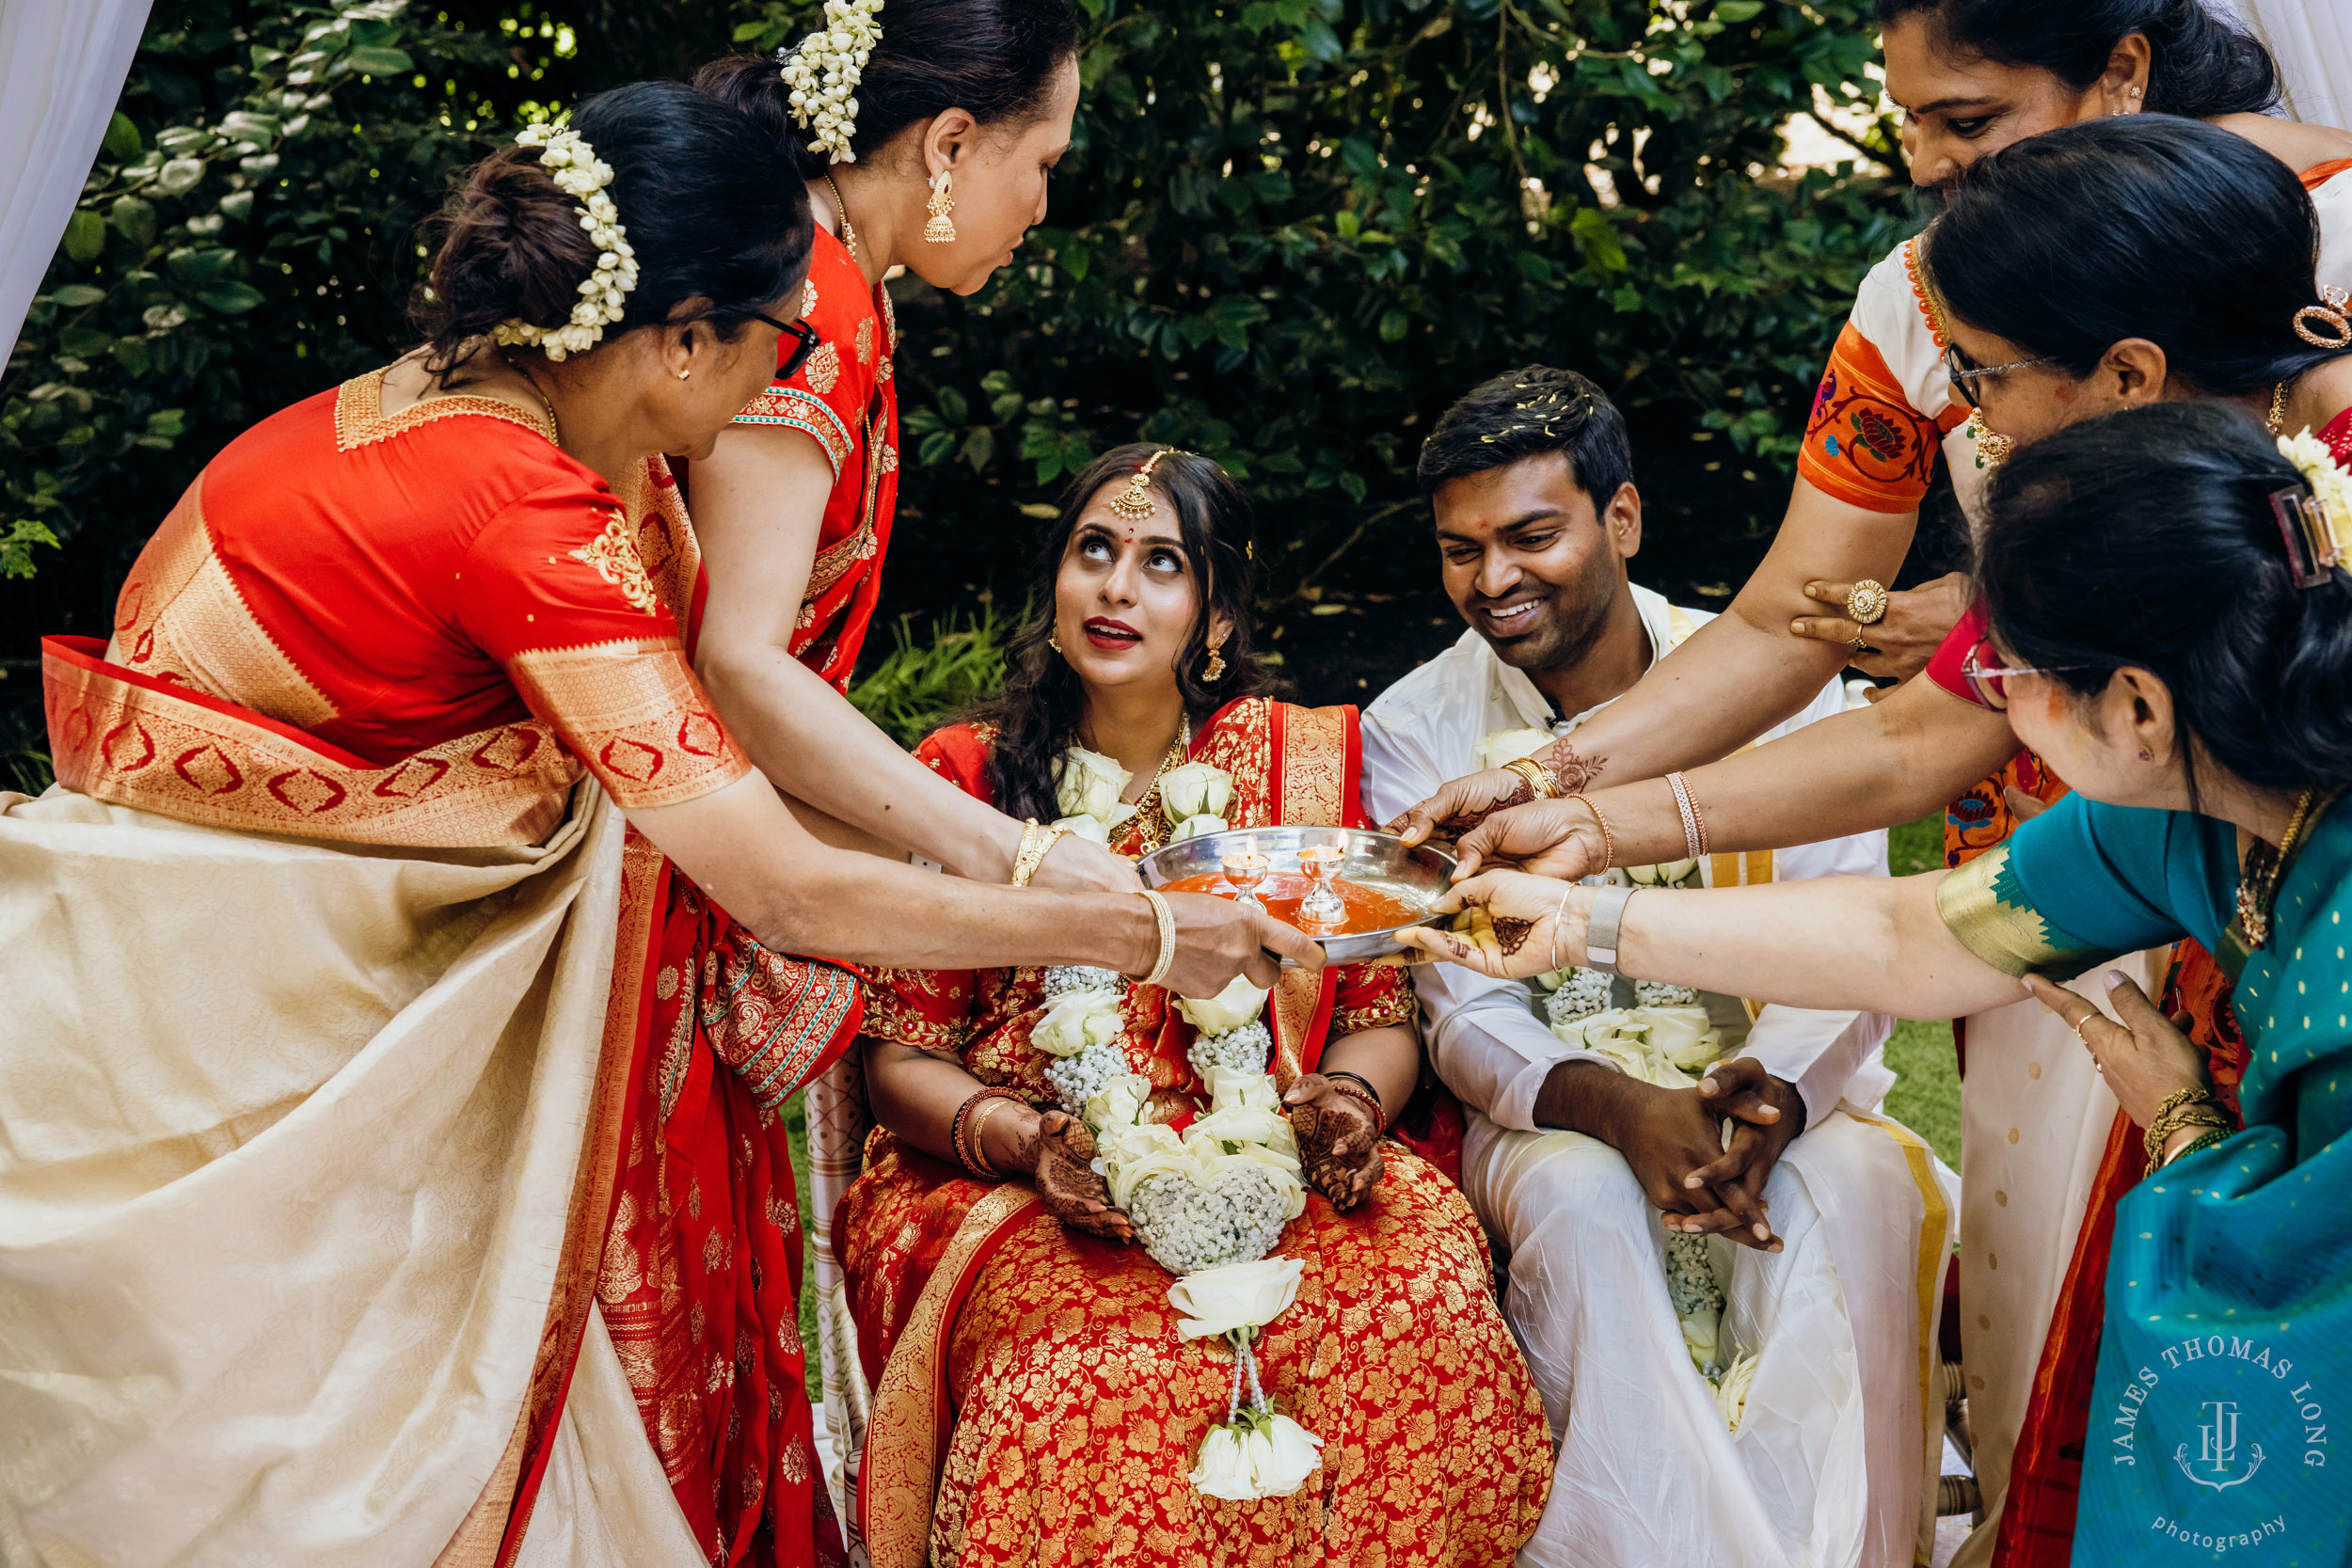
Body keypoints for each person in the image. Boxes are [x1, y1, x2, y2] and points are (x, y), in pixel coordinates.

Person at [0, 90, 1312, 1568]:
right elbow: (786, 884)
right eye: (774, 337)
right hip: (227, 990)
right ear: (681, 340)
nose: (786, 372)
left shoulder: (499, 411)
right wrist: (1133, 924)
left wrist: (1015, 859)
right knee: (290, 1454)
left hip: (244, 923)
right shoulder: (528, 518)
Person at [1402, 112, 2352, 1557]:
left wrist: (2188, 1141)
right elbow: (1913, 928)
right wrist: (1589, 881)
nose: (1980, 702)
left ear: (2141, 712)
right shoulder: (2175, 815)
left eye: (2014, 680)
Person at [834, 446, 1554, 1567]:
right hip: (1022, 1170)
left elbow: (1374, 999)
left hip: (1280, 1140)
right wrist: (1029, 1140)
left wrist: (1352, 1102)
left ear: (1214, 611)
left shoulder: (1296, 763)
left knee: (1417, 1302)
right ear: (1058, 583)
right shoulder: (965, 776)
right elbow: (902, 1055)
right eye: (1094, 552)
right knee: (1085, 1374)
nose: (1117, 588)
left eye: (1160, 562)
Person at [1358, 366, 1954, 1568]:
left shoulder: (1778, 690)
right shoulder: (1409, 723)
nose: (1493, 581)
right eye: (1459, 549)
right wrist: (1617, 1107)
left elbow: (1852, 935)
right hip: (1555, 1106)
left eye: (1531, 535)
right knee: (1581, 1203)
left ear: (1620, 518)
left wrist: (1769, 1102)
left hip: (1789, 1088)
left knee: (1853, 1192)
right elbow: (1460, 1004)